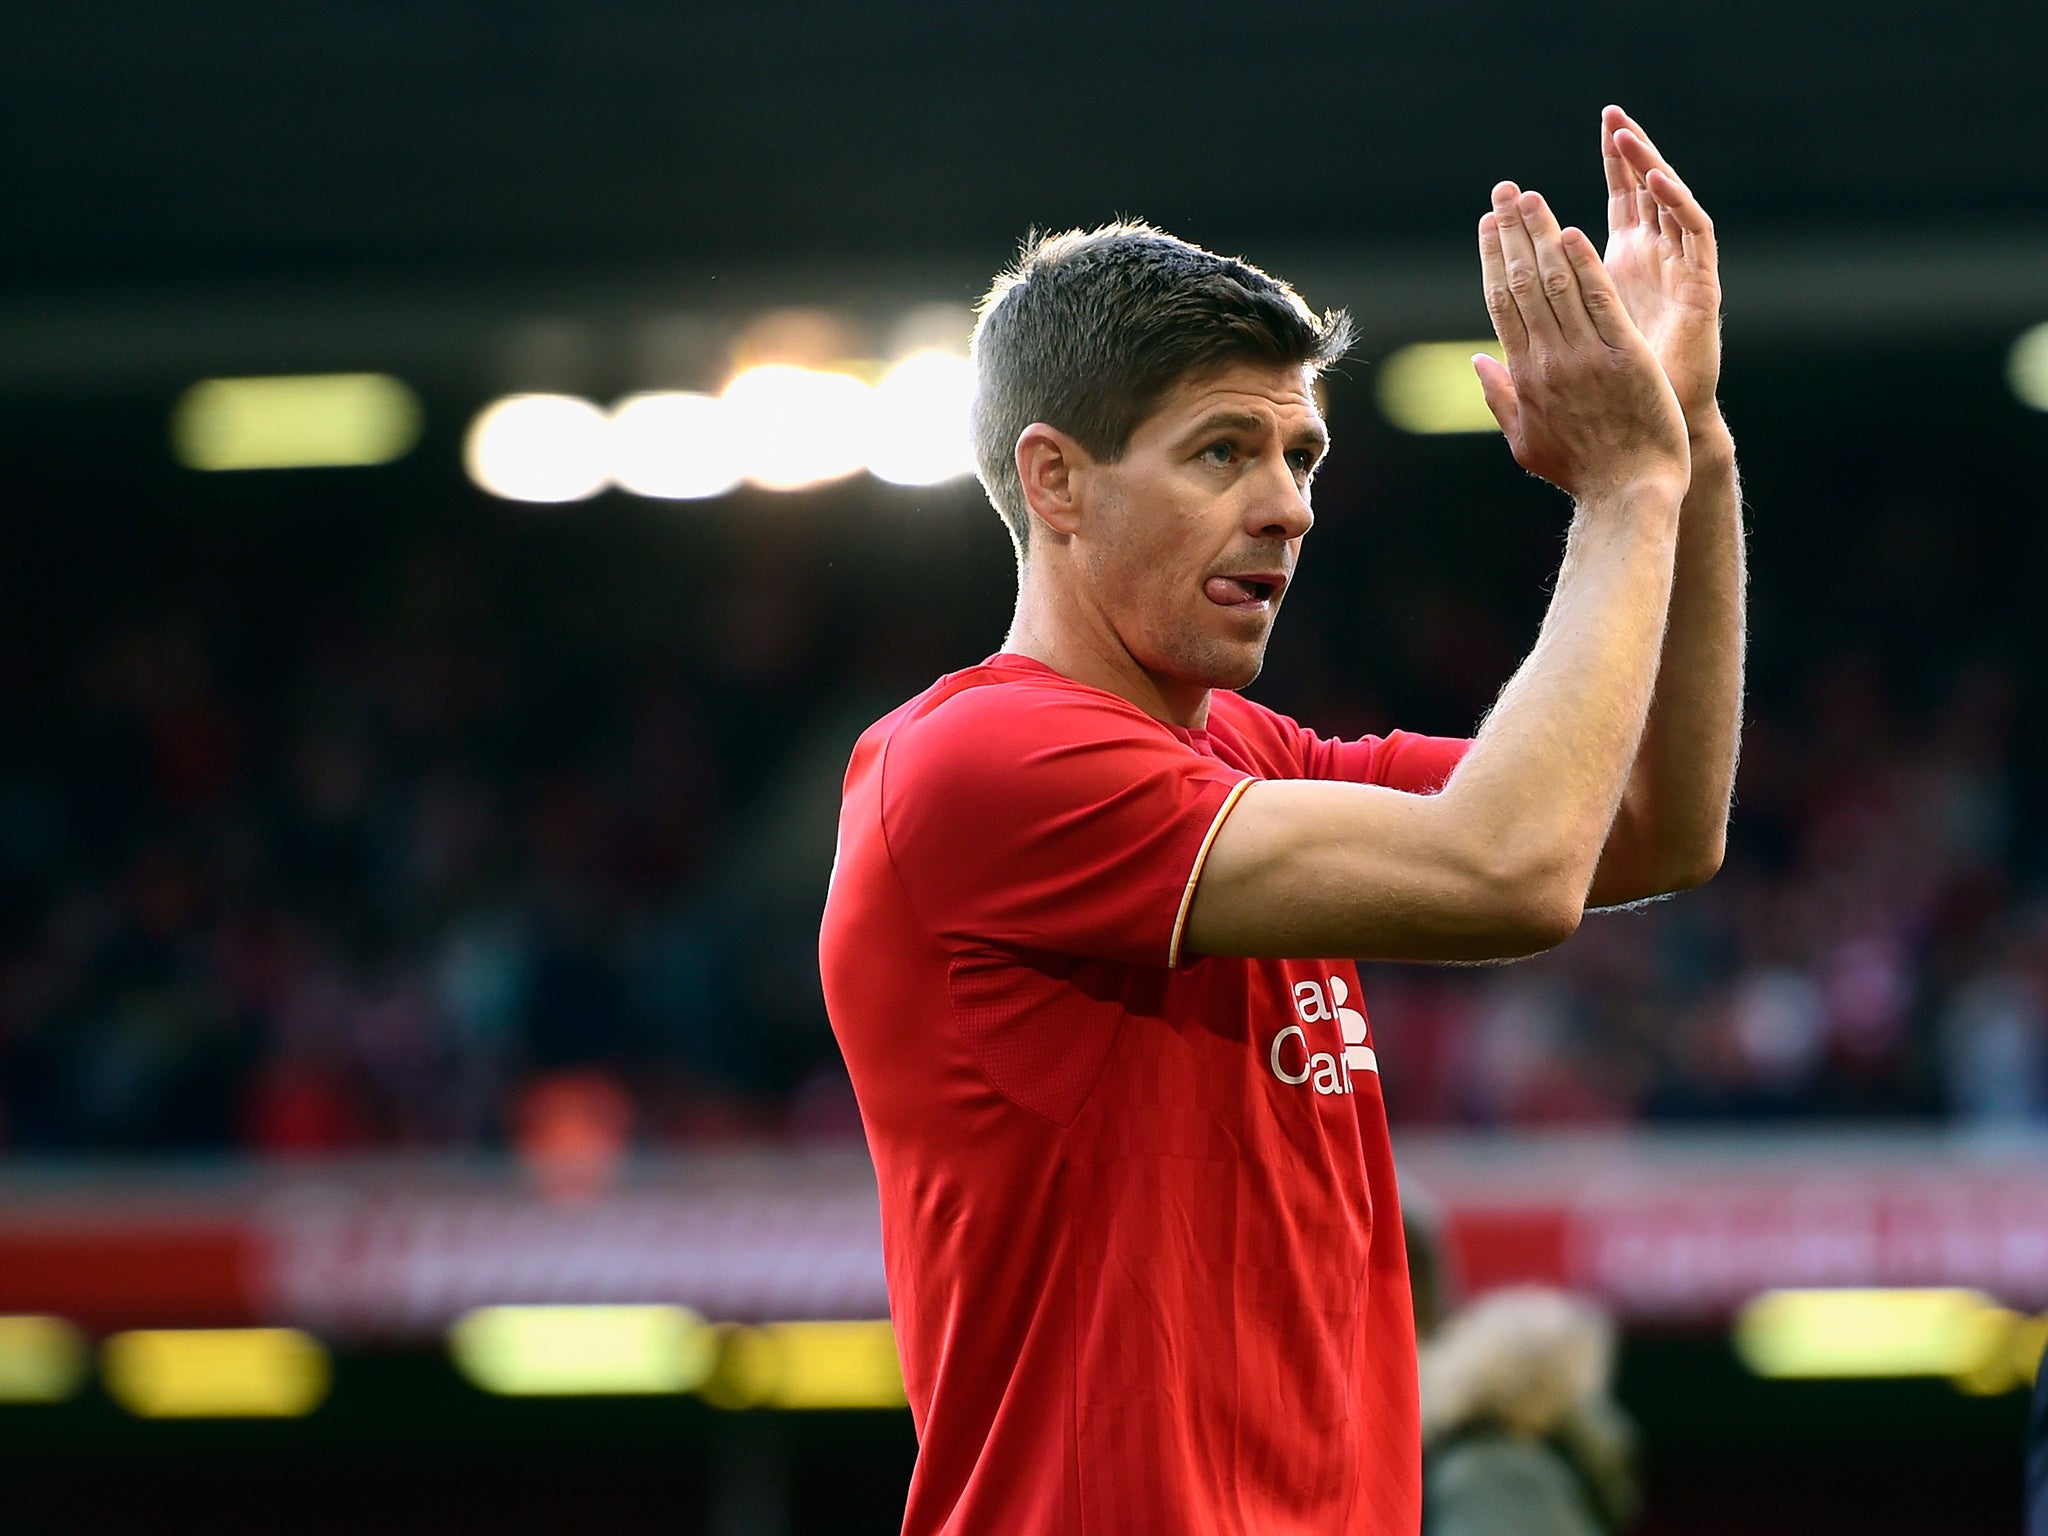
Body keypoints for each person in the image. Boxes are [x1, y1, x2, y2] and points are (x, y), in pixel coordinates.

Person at [819, 104, 1742, 1536]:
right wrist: (1624, 490)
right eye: (1222, 453)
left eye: (1299, 456)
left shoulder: (1249, 757)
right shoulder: (980, 762)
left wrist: (1692, 454)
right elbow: (1513, 869)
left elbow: (1655, 826)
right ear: (1056, 480)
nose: (1288, 507)